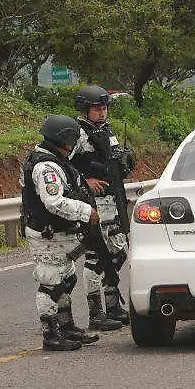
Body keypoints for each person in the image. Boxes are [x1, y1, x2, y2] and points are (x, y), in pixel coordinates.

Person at [22, 115, 102, 351]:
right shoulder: (46, 167)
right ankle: (51, 334)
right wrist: (86, 211)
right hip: (47, 235)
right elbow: (54, 202)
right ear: (65, 138)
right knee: (51, 282)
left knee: (67, 278)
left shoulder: (56, 160)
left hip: (58, 232)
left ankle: (66, 326)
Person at [70, 85, 131, 331]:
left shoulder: (107, 131)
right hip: (91, 204)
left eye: (104, 108)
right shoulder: (76, 134)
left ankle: (113, 305)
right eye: (96, 109)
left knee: (118, 252)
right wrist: (85, 180)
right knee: (96, 257)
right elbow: (62, 165)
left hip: (113, 201)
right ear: (85, 109)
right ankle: (96, 313)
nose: (102, 112)